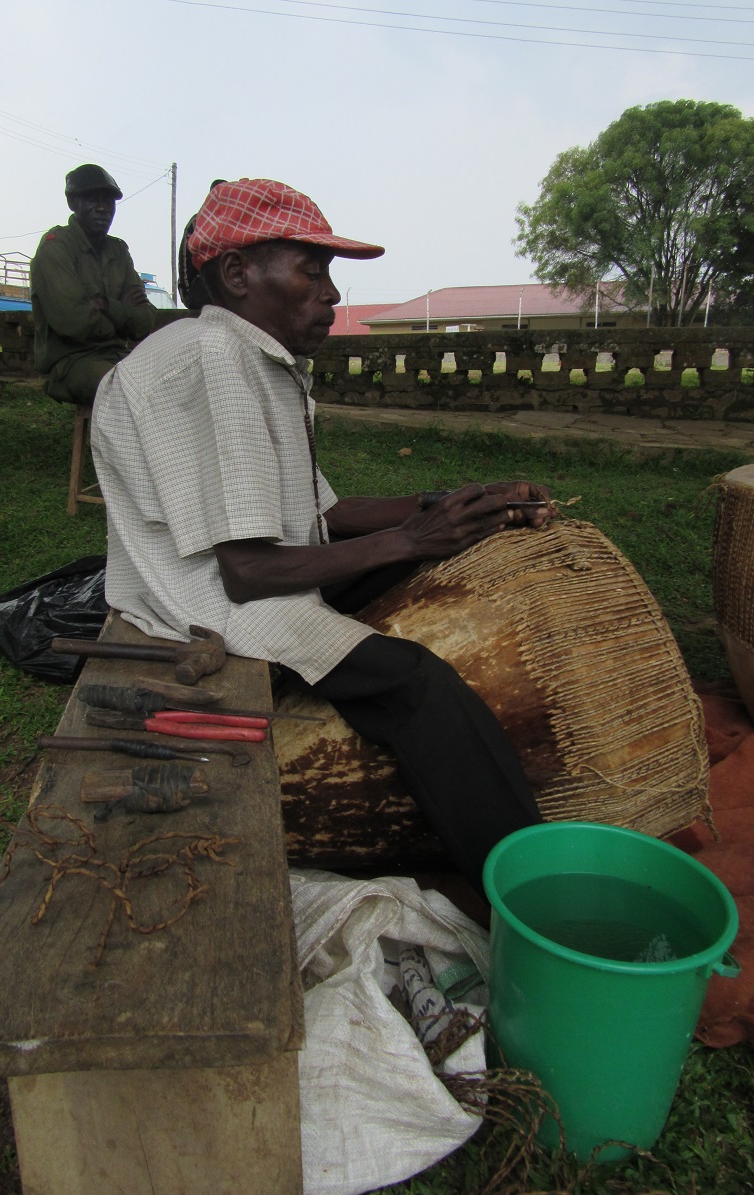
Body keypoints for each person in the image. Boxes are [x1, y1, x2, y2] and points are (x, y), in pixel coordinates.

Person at [91, 177, 549, 895]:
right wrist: (414, 539)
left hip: (261, 572)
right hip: (209, 605)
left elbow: (322, 515)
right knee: (420, 689)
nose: (330, 293)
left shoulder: (251, 356)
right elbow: (246, 573)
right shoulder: (213, 360)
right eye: (312, 270)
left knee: (439, 554)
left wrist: (455, 505)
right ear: (239, 274)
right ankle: (531, 899)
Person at [30, 163, 160, 406]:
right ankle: (112, 445)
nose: (102, 208)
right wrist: (123, 316)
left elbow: (144, 321)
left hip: (119, 357)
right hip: (72, 363)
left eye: (108, 201)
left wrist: (106, 306)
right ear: (73, 203)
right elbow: (73, 322)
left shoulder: (118, 251)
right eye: (92, 199)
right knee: (126, 393)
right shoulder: (55, 248)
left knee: (176, 384)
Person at [177, 178, 227, 311]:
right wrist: (188, 294)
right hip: (199, 288)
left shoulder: (234, 223)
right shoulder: (197, 222)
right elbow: (185, 266)